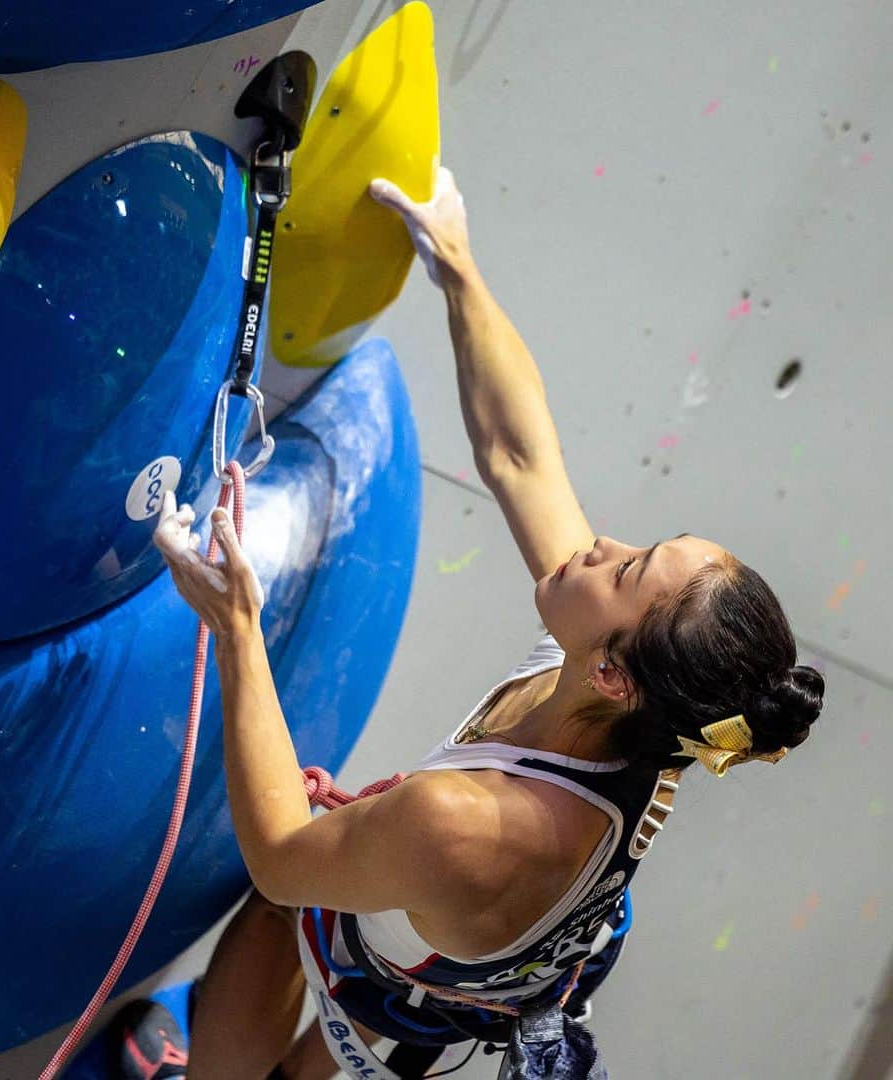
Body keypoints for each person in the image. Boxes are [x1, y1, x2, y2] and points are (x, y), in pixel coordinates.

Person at [150, 168, 826, 1080]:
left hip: (430, 953)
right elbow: (519, 454)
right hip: (493, 956)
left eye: (625, 566)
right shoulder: (648, 702)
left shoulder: (464, 823)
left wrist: (236, 627)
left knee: (291, 918)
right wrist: (457, 264)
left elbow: (280, 860)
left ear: (615, 672)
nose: (599, 543)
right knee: (377, 1001)